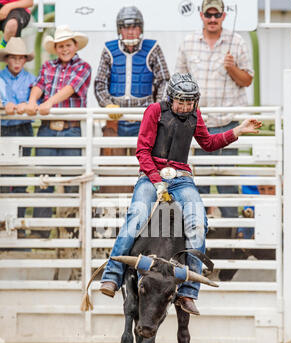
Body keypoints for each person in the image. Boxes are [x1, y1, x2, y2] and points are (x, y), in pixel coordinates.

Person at [98, 72, 261, 316]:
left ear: (195, 102)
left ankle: (188, 292)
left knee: (198, 223)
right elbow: (143, 151)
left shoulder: (195, 115)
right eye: (181, 101)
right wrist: (156, 181)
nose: (185, 106)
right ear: (171, 98)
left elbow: (208, 143)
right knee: (136, 216)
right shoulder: (154, 111)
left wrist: (236, 130)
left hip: (181, 178)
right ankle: (112, 275)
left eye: (190, 102)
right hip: (151, 175)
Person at [175, 0, 254, 219]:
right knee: (196, 183)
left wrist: (232, 67)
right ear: (201, 15)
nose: (212, 19)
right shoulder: (188, 42)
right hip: (197, 124)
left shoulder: (236, 42)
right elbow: (178, 81)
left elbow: (247, 79)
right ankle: (198, 235)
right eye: (208, 15)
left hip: (227, 122)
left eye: (216, 15)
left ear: (223, 16)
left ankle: (229, 237)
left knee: (227, 183)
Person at [19, 24, 91, 238]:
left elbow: (70, 89)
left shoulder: (83, 67)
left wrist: (47, 103)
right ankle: (42, 231)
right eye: (60, 46)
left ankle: (73, 231)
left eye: (67, 45)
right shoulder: (48, 66)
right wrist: (33, 101)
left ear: (75, 45)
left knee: (72, 182)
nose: (64, 49)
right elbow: (39, 85)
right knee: (44, 180)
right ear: (56, 48)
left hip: (71, 130)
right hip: (48, 130)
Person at [94, 5, 170, 152]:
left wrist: (157, 108)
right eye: (125, 27)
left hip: (144, 119)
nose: (130, 32)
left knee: (144, 166)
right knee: (112, 168)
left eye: (134, 27)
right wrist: (107, 104)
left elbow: (164, 81)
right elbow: (99, 84)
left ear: (141, 29)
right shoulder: (109, 50)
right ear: (119, 30)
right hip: (115, 119)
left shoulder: (153, 48)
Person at [0, 37, 35, 235]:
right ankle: (5, 227)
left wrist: (26, 105)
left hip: (24, 128)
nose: (16, 62)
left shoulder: (31, 79)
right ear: (8, 59)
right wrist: (5, 104)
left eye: (20, 58)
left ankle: (19, 228)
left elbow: (35, 98)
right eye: (13, 58)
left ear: (24, 60)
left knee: (21, 177)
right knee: (4, 177)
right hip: (5, 129)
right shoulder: (0, 78)